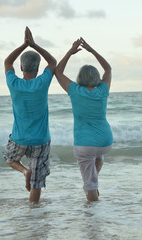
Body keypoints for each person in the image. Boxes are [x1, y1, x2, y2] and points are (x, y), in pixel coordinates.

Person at [3, 27, 57, 204]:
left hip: (20, 138)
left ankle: (25, 171)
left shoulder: (14, 83)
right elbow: (53, 61)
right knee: (36, 184)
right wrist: (34, 45)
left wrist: (23, 45)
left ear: (20, 67)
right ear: (38, 68)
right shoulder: (42, 82)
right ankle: (34, 219)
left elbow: (7, 62)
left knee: (10, 159)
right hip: (41, 140)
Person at [55, 38, 113, 202]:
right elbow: (108, 68)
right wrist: (91, 50)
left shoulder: (74, 89)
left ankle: (93, 219)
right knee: (98, 157)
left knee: (89, 184)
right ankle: (93, 183)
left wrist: (70, 52)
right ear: (97, 78)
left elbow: (58, 72)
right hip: (105, 142)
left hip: (85, 144)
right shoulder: (103, 89)